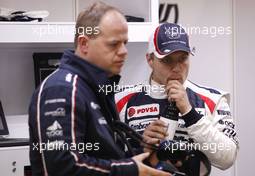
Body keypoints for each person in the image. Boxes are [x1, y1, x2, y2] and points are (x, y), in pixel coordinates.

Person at [28, 2, 171, 176]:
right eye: (113, 44)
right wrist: (131, 169)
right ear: (84, 44)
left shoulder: (96, 88)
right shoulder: (63, 89)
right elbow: (62, 167)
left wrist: (145, 151)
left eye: (125, 43)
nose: (124, 51)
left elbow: (108, 156)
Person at [115, 23, 239, 171]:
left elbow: (228, 158)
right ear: (150, 60)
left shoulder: (213, 99)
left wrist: (190, 113)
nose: (176, 68)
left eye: (182, 58)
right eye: (167, 60)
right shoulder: (120, 100)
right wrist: (141, 146)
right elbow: (107, 161)